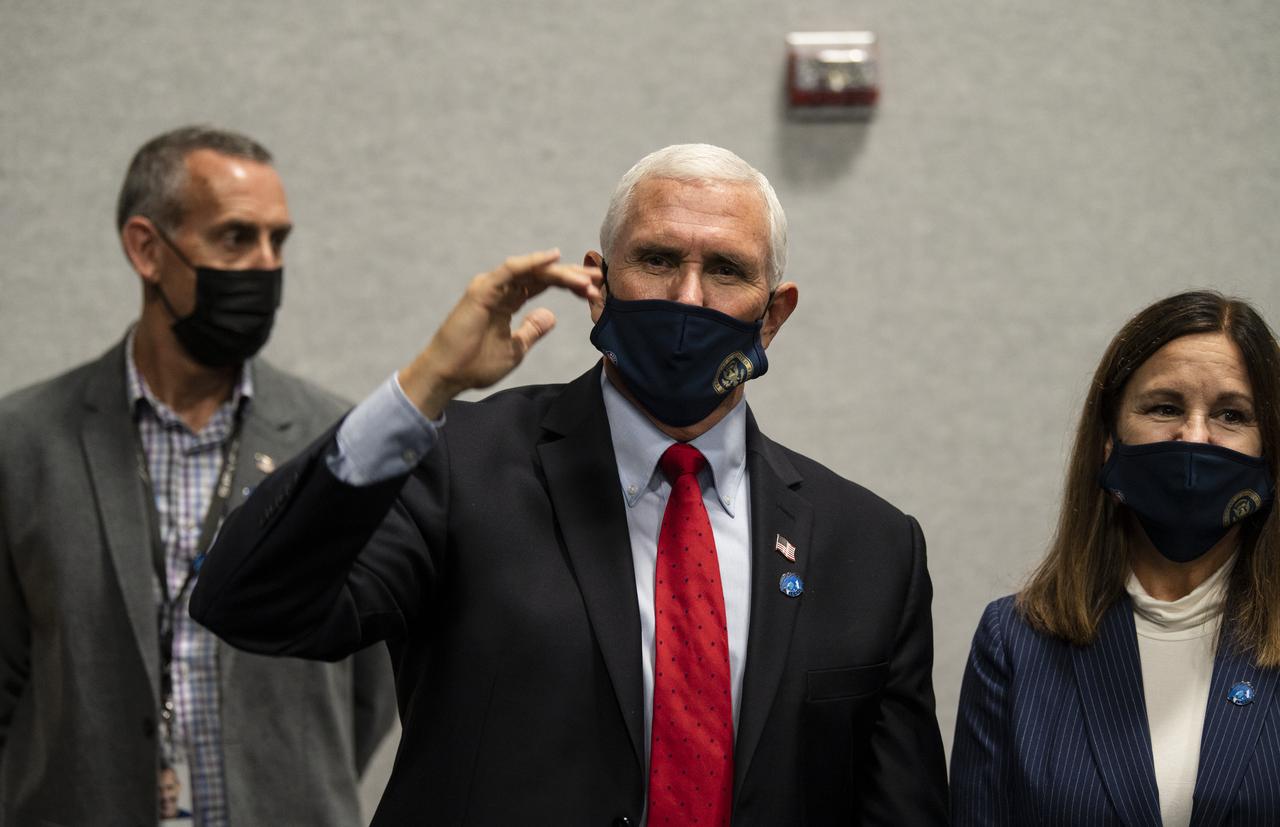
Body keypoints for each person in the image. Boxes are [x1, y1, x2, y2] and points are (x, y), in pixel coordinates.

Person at [191, 143, 949, 824]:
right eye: (656, 259)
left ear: (773, 314)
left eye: (725, 269)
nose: (688, 297)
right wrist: (426, 385)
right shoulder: (462, 469)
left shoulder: (871, 547)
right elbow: (251, 602)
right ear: (599, 283)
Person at [0, 126, 395, 826]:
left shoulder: (336, 442)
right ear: (147, 249)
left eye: (279, 241)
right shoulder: (24, 442)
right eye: (236, 237)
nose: (266, 265)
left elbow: (372, 680)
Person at [951, 291, 1280, 826]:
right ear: (1108, 440)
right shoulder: (1015, 642)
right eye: (1165, 407)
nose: (1194, 437)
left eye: (1231, 414)